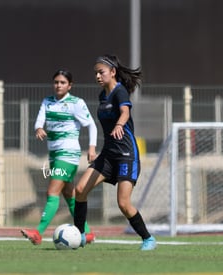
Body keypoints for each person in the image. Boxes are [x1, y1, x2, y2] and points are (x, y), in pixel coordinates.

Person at [73, 54, 157, 250]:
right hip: (108, 155)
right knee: (80, 190)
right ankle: (80, 236)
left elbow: (125, 112)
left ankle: (148, 238)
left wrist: (120, 124)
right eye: (95, 73)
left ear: (113, 72)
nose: (97, 76)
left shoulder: (120, 93)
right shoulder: (102, 95)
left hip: (126, 155)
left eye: (101, 72)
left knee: (123, 204)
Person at [21, 69, 97, 245]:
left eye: (63, 82)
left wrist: (92, 148)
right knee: (69, 195)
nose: (58, 85)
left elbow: (91, 125)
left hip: (68, 154)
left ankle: (38, 233)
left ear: (70, 85)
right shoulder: (47, 102)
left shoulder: (76, 103)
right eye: (56, 82)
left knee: (52, 191)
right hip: (54, 155)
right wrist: (38, 128)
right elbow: (39, 121)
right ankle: (87, 232)